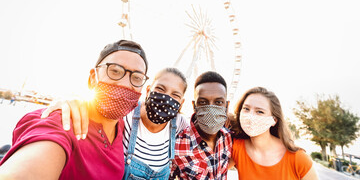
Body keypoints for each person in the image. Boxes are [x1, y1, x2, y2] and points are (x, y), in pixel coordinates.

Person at [0, 39, 149, 179]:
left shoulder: (123, 127)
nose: (124, 83)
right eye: (115, 71)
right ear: (92, 78)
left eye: (137, 77)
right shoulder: (61, 121)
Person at [40, 67, 189, 180]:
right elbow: (94, 106)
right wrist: (71, 101)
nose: (166, 98)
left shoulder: (180, 125)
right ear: (148, 90)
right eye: (160, 89)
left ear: (181, 103)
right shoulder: (125, 112)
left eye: (175, 95)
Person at [229, 87, 319, 180]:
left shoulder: (298, 158)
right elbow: (214, 171)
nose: (250, 116)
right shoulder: (237, 148)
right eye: (246, 109)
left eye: (260, 111)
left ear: (274, 120)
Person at [170, 71, 232, 179]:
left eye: (218, 102)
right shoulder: (176, 145)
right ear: (194, 106)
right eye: (203, 102)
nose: (211, 109)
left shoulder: (229, 138)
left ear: (226, 105)